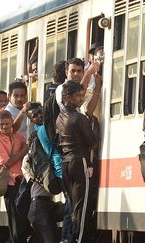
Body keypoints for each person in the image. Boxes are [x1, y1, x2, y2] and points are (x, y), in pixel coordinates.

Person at [56, 81, 98, 242]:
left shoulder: (59, 118)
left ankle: (72, 238)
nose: (81, 99)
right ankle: (79, 239)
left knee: (74, 206)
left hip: (66, 164)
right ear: (68, 97)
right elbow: (92, 142)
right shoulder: (79, 118)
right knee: (83, 207)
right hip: (80, 162)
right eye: (78, 96)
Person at [0, 110, 30, 243]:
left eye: (7, 123)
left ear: (12, 122)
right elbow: (5, 163)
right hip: (11, 184)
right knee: (15, 220)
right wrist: (23, 151)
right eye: (2, 124)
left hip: (23, 182)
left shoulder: (19, 138)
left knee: (23, 219)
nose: (5, 127)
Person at [25, 103, 64, 242]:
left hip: (47, 205)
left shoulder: (43, 155)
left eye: (40, 112)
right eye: (34, 115)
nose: (39, 116)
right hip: (39, 207)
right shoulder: (30, 163)